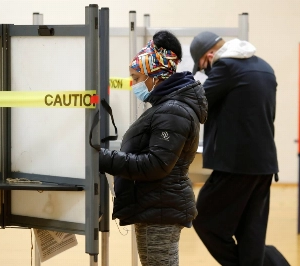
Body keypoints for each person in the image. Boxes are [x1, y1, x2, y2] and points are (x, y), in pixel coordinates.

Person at [99, 30, 208, 265]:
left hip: (160, 208)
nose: (134, 85)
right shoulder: (168, 107)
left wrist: (102, 158)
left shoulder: (172, 111)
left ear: (155, 76)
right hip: (157, 205)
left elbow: (155, 165)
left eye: (137, 78)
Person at [190, 31, 279, 266]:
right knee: (251, 233)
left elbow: (198, 104)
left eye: (202, 67)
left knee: (203, 219)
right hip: (265, 165)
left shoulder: (226, 67)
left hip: (236, 166)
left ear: (209, 55)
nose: (206, 73)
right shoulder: (265, 67)